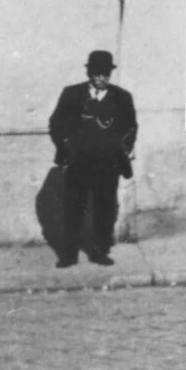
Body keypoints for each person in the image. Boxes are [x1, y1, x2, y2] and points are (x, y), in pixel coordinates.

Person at [48, 50, 137, 268]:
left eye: (105, 74)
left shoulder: (122, 97)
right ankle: (68, 254)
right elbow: (56, 124)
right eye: (96, 73)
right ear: (89, 73)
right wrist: (66, 146)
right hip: (78, 162)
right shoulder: (72, 94)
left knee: (105, 207)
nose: (100, 78)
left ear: (110, 74)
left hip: (108, 163)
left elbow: (131, 127)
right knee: (73, 207)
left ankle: (100, 251)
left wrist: (124, 148)